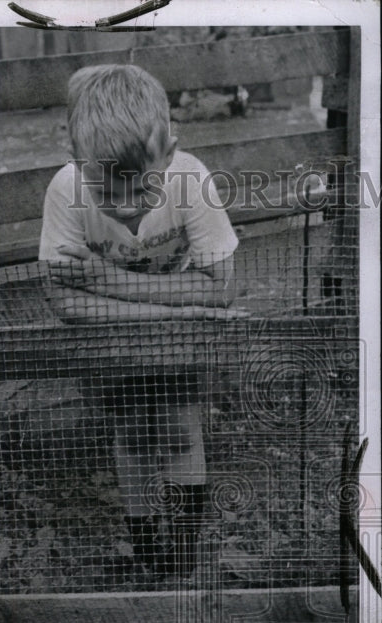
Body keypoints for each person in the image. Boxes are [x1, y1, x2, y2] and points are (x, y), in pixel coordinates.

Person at [39, 64, 239, 577]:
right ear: (77, 161)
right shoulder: (66, 189)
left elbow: (223, 286)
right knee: (131, 430)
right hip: (123, 334)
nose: (127, 209)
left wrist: (111, 281)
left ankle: (184, 550)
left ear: (168, 153)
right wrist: (177, 305)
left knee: (178, 426)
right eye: (108, 192)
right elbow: (62, 300)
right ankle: (147, 542)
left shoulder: (191, 179)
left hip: (171, 336)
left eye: (141, 191)